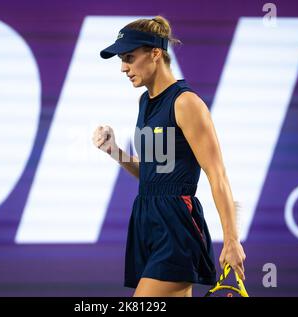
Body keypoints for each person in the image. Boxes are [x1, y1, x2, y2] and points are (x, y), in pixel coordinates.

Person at [92, 16, 246, 297]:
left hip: (176, 225)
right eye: (121, 60)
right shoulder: (144, 102)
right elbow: (153, 173)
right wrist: (114, 151)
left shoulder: (187, 103)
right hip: (146, 220)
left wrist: (232, 239)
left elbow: (217, 174)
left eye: (129, 57)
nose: (123, 68)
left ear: (155, 53)